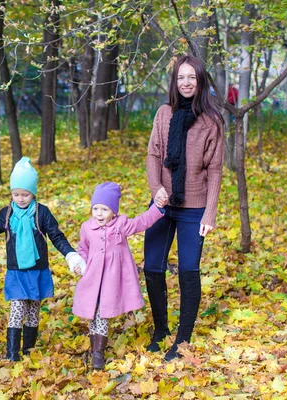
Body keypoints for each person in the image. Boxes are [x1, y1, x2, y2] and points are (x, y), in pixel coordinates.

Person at [0, 157, 86, 361]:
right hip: (17, 272)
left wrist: (70, 254)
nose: (20, 199)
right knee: (17, 308)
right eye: (16, 194)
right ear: (11, 193)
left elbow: (56, 236)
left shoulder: (42, 213)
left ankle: (29, 349)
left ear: (33, 193)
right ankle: (12, 354)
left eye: (25, 194)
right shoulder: (7, 213)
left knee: (33, 310)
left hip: (37, 270)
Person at [144, 54, 224, 361]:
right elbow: (153, 155)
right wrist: (157, 189)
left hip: (195, 207)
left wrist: (210, 213)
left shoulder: (212, 121)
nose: (186, 82)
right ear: (174, 82)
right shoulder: (164, 114)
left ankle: (182, 339)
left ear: (200, 81)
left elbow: (215, 170)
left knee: (189, 271)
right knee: (152, 267)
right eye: (181, 77)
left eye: (191, 77)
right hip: (163, 203)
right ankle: (161, 329)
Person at [71, 182, 166, 370]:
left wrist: (157, 208)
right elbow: (83, 248)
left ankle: (97, 353)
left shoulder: (120, 225)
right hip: (93, 279)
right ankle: (96, 349)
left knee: (102, 313)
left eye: (104, 209)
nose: (99, 214)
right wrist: (79, 264)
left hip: (112, 280)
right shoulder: (87, 228)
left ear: (113, 211)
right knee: (95, 312)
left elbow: (142, 222)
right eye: (95, 208)